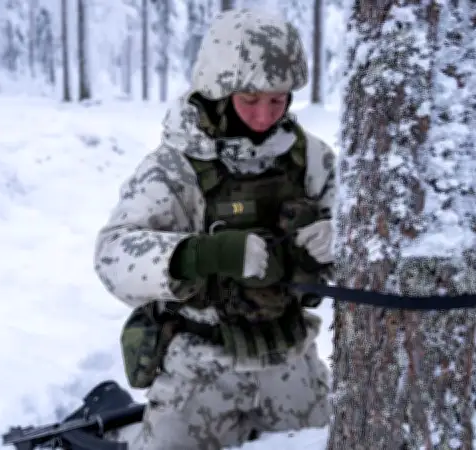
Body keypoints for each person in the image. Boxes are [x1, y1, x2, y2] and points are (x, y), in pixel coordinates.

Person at [93, 8, 337, 450]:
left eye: (277, 100)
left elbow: (367, 244)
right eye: (250, 98)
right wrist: (204, 255)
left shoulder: (311, 160)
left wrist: (338, 240)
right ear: (218, 92)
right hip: (200, 364)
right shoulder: (176, 166)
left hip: (291, 360)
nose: (264, 115)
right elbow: (113, 254)